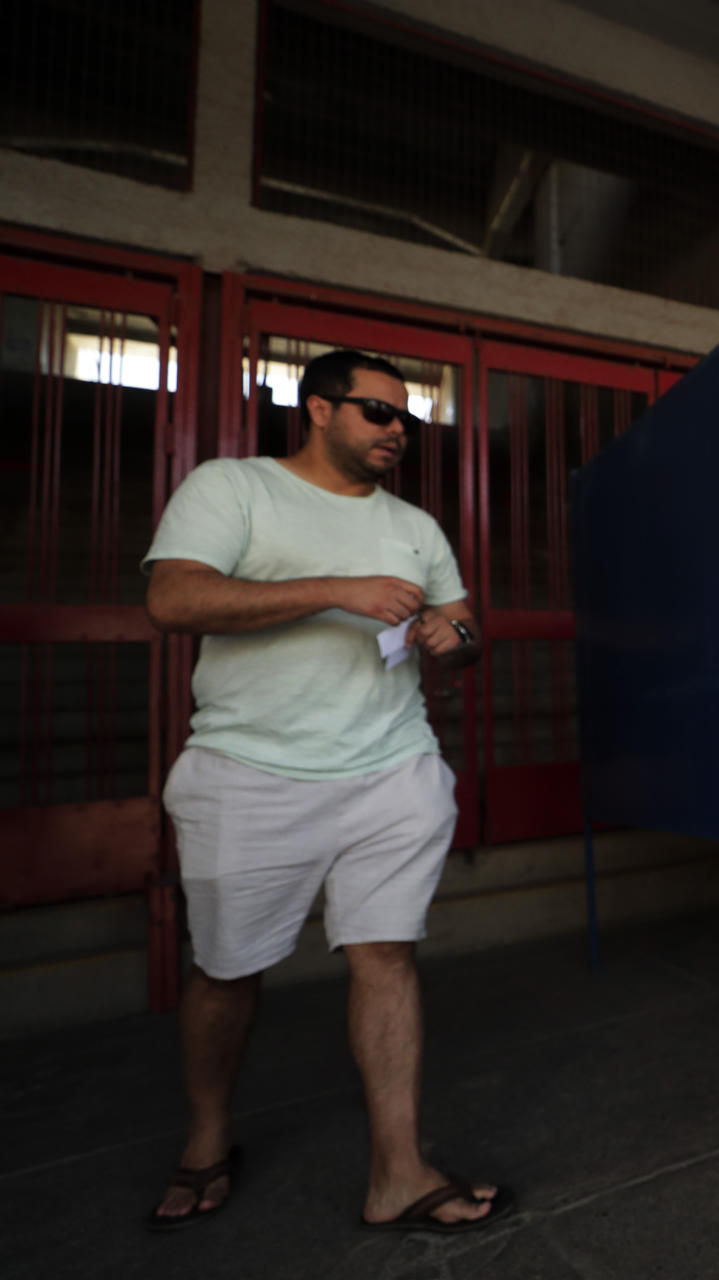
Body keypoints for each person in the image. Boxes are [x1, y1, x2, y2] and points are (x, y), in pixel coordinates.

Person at [142, 350, 511, 1234]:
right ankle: (205, 1139)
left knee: (387, 955)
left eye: (407, 422)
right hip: (248, 772)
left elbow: (465, 638)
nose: (396, 433)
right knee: (226, 972)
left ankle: (398, 1171)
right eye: (377, 414)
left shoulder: (416, 525)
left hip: (390, 768)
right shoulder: (234, 488)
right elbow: (172, 598)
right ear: (316, 408)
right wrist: (336, 591)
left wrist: (448, 635)